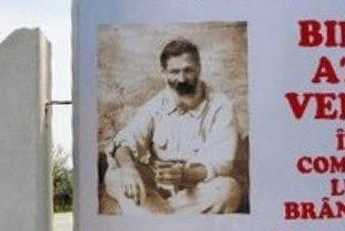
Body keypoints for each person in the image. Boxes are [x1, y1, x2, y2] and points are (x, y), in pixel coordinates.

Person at [104, 38, 243, 215]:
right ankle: (167, 215)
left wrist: (185, 175)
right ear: (164, 73)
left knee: (228, 190)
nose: (182, 79)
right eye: (174, 72)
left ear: (199, 68)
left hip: (196, 188)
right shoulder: (158, 103)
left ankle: (152, 215)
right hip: (157, 185)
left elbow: (222, 163)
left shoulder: (221, 105)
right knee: (116, 174)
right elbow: (126, 139)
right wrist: (129, 169)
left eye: (188, 70)